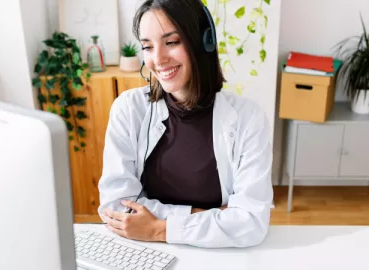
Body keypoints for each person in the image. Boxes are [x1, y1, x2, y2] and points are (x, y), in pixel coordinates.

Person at [98, 0, 274, 248]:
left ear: (204, 42)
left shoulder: (248, 118)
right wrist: (216, 215)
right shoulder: (128, 109)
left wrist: (159, 229)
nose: (157, 59)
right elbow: (116, 208)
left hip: (218, 253)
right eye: (147, 47)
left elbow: (251, 222)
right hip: (146, 249)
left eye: (171, 42)